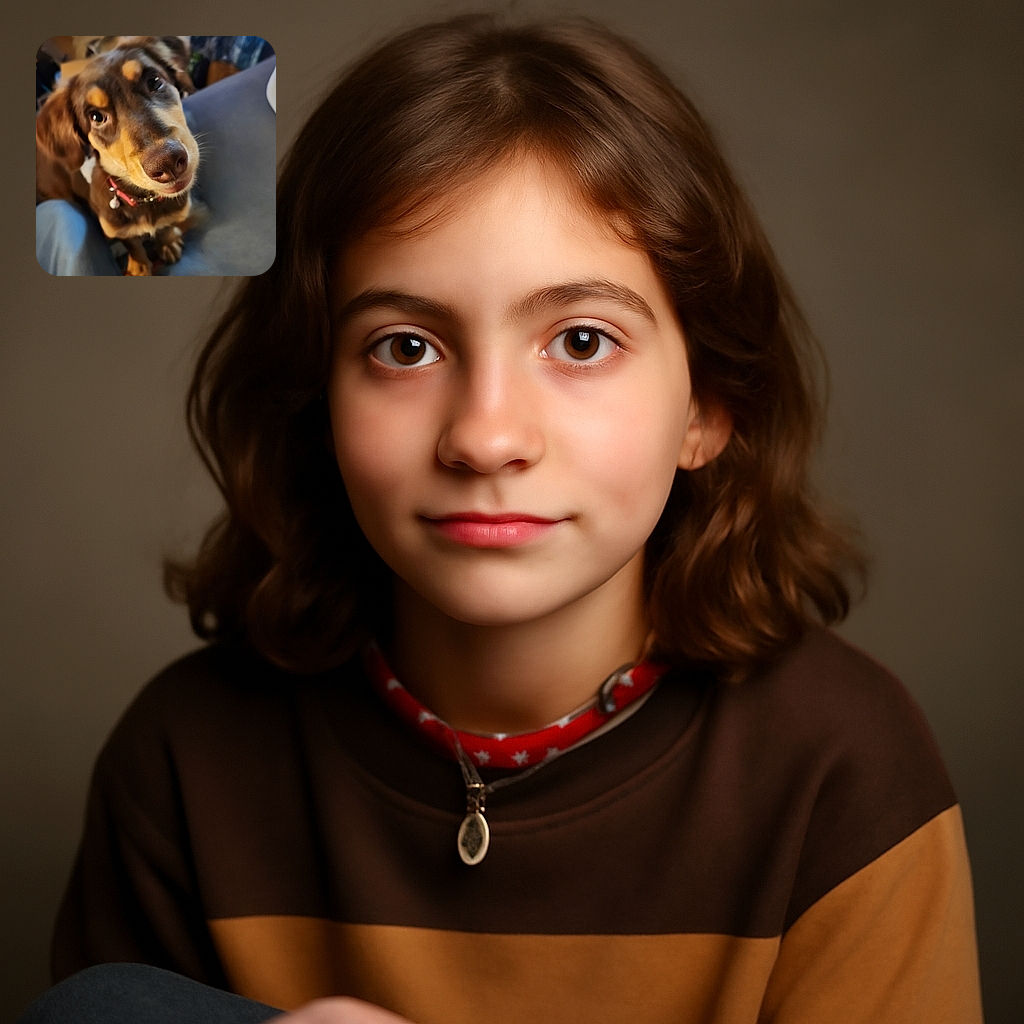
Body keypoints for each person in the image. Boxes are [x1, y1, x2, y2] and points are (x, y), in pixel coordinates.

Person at [23, 12, 983, 1024]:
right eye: (403, 347)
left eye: (578, 340)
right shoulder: (187, 755)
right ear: (316, 399)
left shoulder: (841, 766)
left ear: (708, 406)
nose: (485, 438)